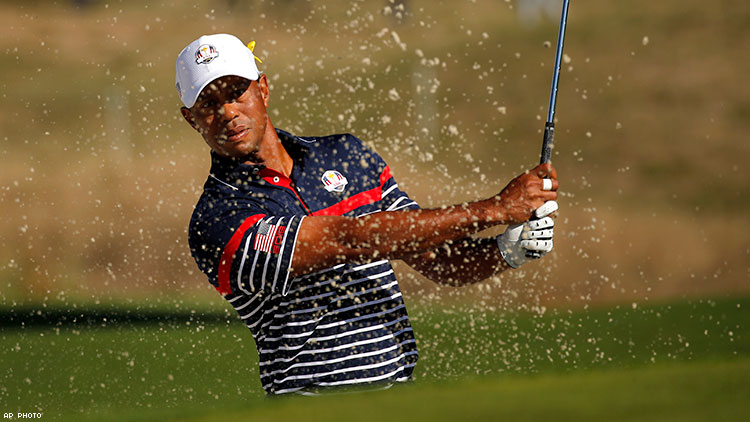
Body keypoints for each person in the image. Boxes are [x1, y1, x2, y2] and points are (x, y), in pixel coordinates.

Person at [176, 33, 559, 395]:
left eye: (236, 92)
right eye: (208, 104)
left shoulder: (345, 154)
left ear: (263, 88)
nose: (227, 112)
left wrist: (506, 250)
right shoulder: (216, 218)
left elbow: (433, 259)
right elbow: (350, 240)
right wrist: (494, 208)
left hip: (399, 397)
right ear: (191, 119)